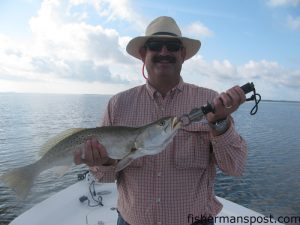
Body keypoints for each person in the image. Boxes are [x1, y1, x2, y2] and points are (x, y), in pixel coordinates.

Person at [74, 16, 247, 225]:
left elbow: (235, 167)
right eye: (155, 46)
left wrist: (220, 123)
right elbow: (103, 177)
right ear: (142, 54)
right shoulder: (118, 104)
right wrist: (104, 162)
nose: (164, 52)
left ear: (182, 55)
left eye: (172, 46)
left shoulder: (209, 100)